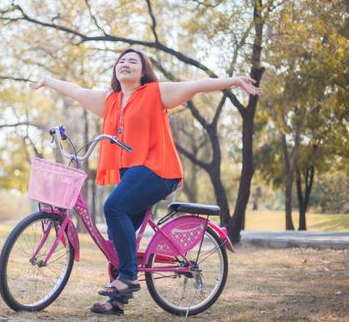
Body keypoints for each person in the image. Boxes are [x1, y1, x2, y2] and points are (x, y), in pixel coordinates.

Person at [30, 48, 262, 315]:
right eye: (122, 61)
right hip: (133, 174)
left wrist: (233, 81)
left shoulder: (156, 93)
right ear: (116, 70)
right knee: (119, 237)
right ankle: (115, 302)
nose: (125, 64)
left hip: (159, 170)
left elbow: (196, 85)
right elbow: (77, 90)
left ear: (143, 72)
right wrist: (47, 81)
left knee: (113, 207)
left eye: (133, 61)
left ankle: (127, 276)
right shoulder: (110, 100)